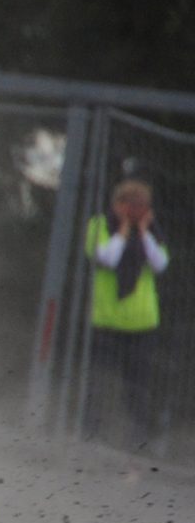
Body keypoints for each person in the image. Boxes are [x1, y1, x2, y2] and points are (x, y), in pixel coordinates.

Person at [85, 177, 172, 450]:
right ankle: (91, 435)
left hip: (141, 322)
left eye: (142, 205)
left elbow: (160, 263)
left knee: (137, 386)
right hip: (106, 320)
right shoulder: (99, 225)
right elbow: (107, 258)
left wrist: (143, 232)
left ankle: (137, 440)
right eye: (131, 205)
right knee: (98, 382)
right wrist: (123, 230)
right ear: (118, 204)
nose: (136, 210)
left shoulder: (152, 232)